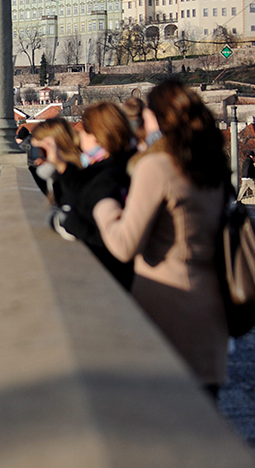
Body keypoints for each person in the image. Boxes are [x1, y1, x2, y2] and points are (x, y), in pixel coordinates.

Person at [93, 80, 230, 396]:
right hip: (210, 310)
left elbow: (125, 245)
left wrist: (103, 206)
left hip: (168, 310)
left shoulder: (157, 166)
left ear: (157, 119)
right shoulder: (211, 165)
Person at [52, 102, 135, 290]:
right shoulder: (132, 162)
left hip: (115, 275)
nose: (80, 139)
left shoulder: (105, 177)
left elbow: (106, 236)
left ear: (96, 136)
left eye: (84, 132)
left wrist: (70, 221)